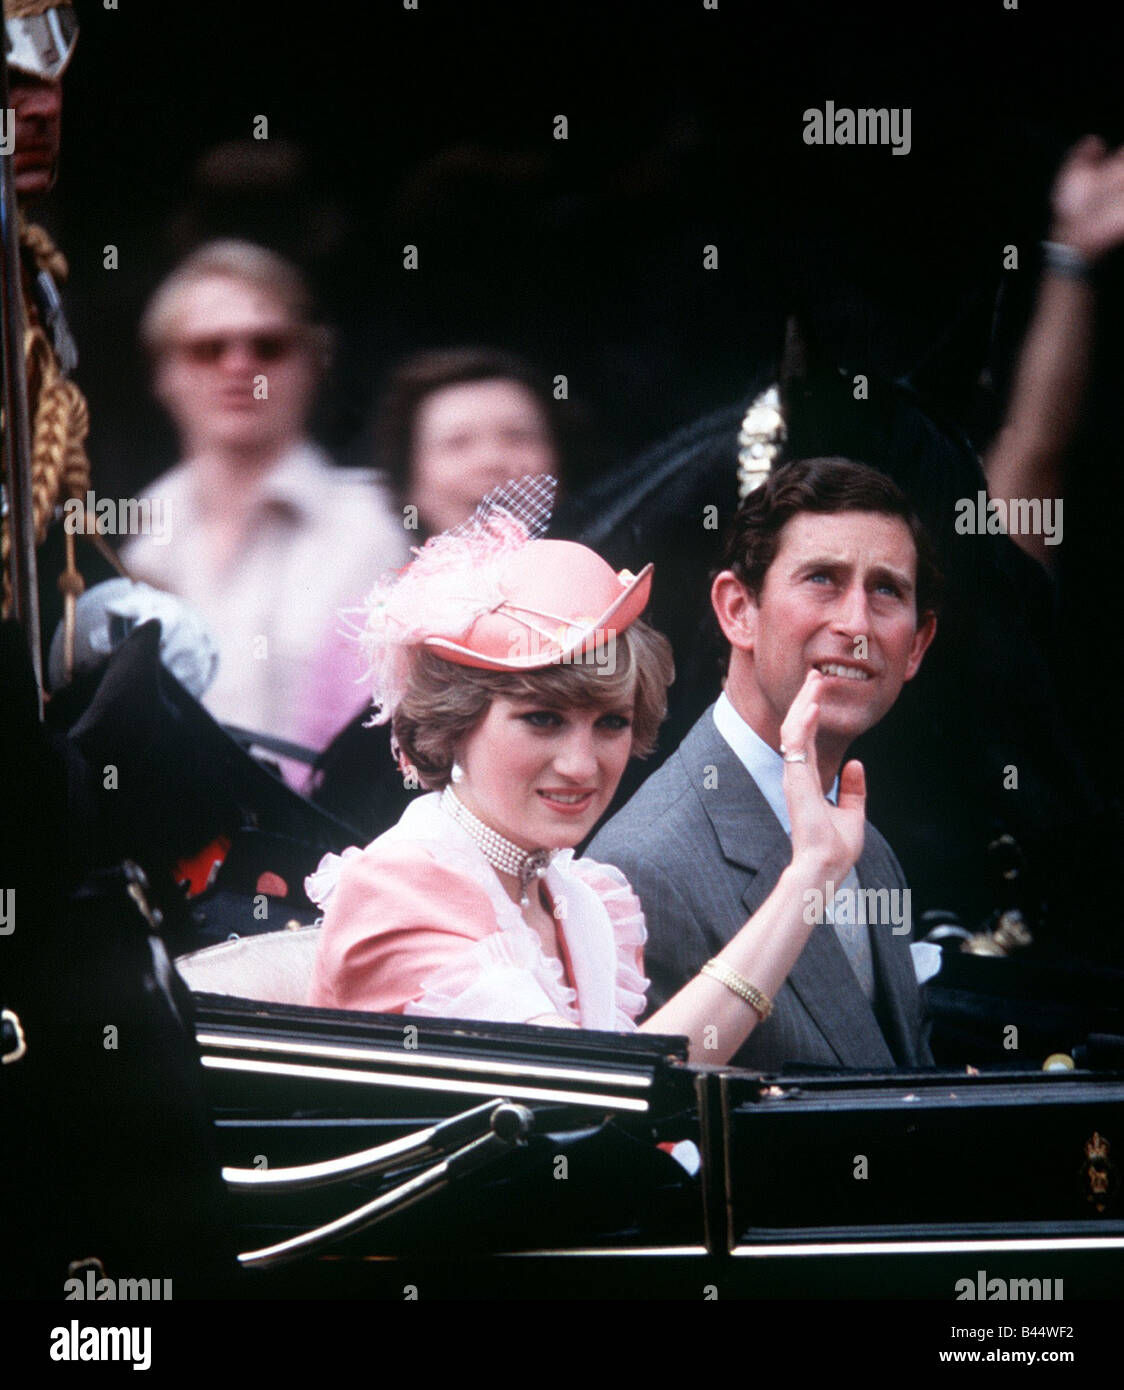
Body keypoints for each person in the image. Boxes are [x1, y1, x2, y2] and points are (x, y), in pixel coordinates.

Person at [307, 474, 892, 1066]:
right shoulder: (399, 892)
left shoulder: (579, 893)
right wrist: (806, 880)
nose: (581, 765)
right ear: (454, 724)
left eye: (610, 723)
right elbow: (597, 1091)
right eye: (542, 720)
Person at [588, 457, 938, 1070]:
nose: (856, 625)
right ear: (736, 611)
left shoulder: (871, 851)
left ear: (917, 645)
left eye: (886, 590)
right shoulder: (644, 868)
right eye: (822, 579)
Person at [120, 240, 409, 768]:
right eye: (207, 348)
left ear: (311, 363)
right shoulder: (138, 532)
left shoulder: (376, 526)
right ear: (164, 374)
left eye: (268, 346)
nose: (238, 366)